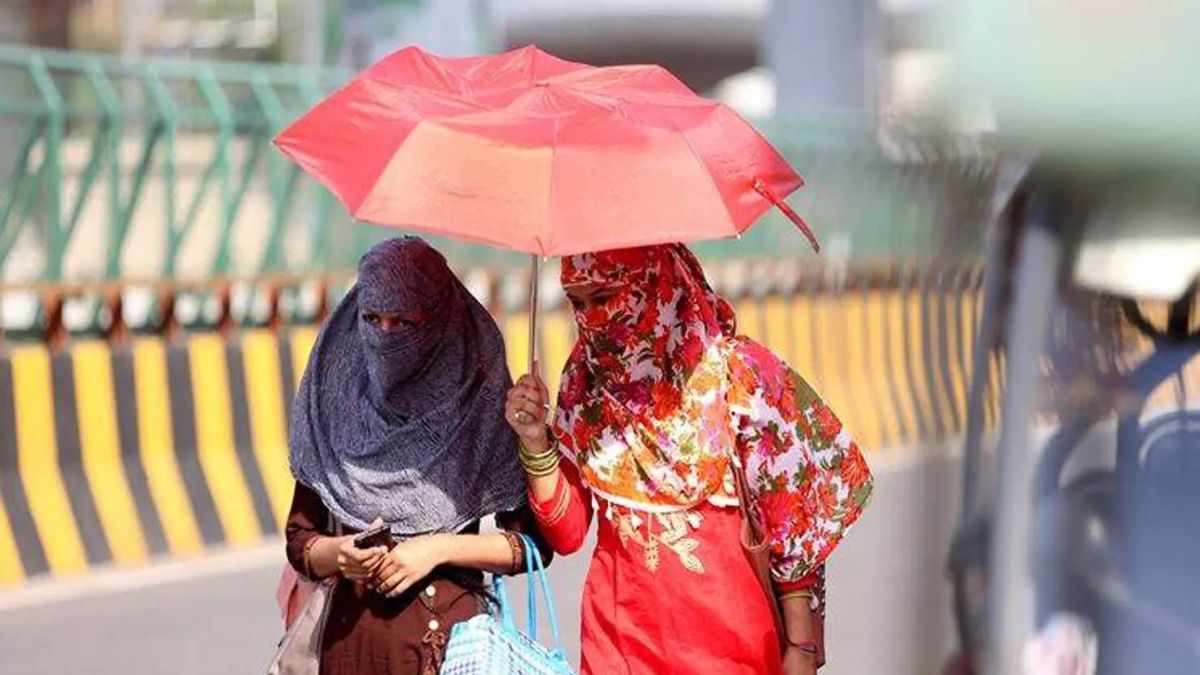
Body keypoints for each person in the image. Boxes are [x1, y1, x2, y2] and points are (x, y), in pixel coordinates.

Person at [504, 244, 873, 675]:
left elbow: (789, 521)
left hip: (732, 654)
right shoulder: (583, 384)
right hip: (616, 651)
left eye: (604, 298)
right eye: (577, 302)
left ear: (652, 286)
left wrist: (801, 646)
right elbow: (568, 535)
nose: (591, 318)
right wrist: (536, 441)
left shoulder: (737, 375)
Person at [283, 237, 550, 675]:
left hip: (449, 653)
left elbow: (529, 547)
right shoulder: (335, 399)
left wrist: (436, 550)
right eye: (372, 318)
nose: (385, 336)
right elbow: (300, 540)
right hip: (348, 652)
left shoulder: (477, 401)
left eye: (404, 321)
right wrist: (340, 554)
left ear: (439, 322)